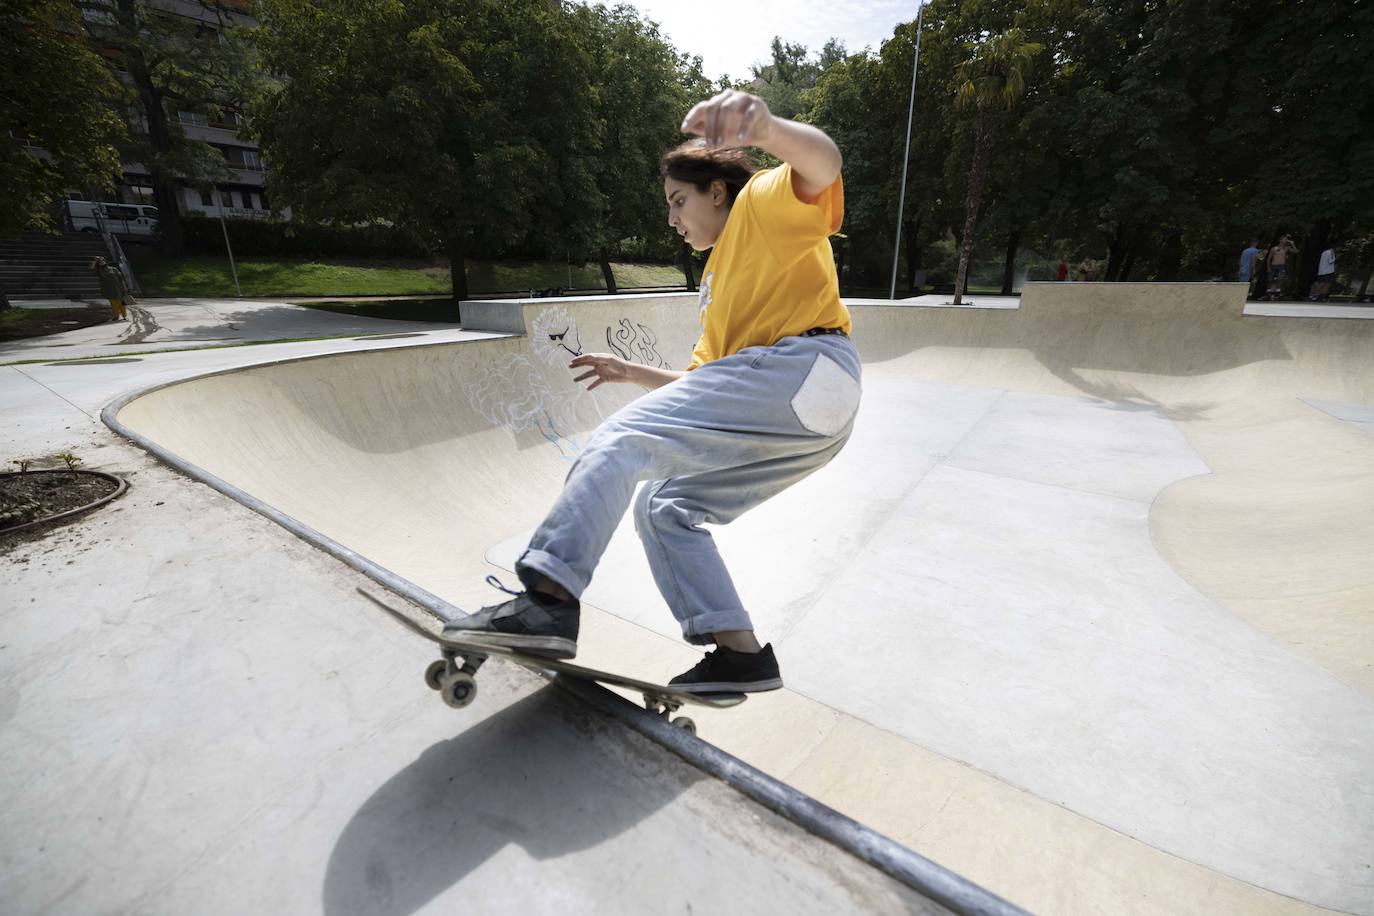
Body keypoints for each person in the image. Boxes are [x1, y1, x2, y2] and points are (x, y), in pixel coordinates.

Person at [443, 90, 860, 694]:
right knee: (664, 507)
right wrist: (629, 371)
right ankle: (740, 653)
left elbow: (823, 163)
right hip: (814, 417)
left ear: (716, 190)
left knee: (621, 438)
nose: (671, 218)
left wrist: (764, 128)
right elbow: (704, 390)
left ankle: (548, 601)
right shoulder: (716, 283)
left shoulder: (759, 207)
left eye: (677, 200)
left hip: (802, 364)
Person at [91, 256, 128, 321]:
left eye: (103, 261)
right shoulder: (100, 271)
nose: (102, 263)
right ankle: (116, 316)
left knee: (121, 303)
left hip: (118, 288)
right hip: (109, 289)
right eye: (100, 262)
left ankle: (124, 315)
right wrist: (95, 261)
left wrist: (124, 287)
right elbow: (92, 269)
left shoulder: (114, 269)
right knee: (113, 304)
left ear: (105, 262)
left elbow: (121, 279)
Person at [1266, 235, 1298, 300]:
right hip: (1274, 265)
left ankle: (1277, 294)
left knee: (1280, 279)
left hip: (1281, 266)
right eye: (1284, 239)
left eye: (1286, 239)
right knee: (1270, 280)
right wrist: (1268, 267)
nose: (1285, 240)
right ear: (1280, 240)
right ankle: (1269, 294)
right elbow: (1269, 258)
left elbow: (1296, 251)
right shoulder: (1273, 248)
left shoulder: (1286, 248)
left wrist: (1293, 244)